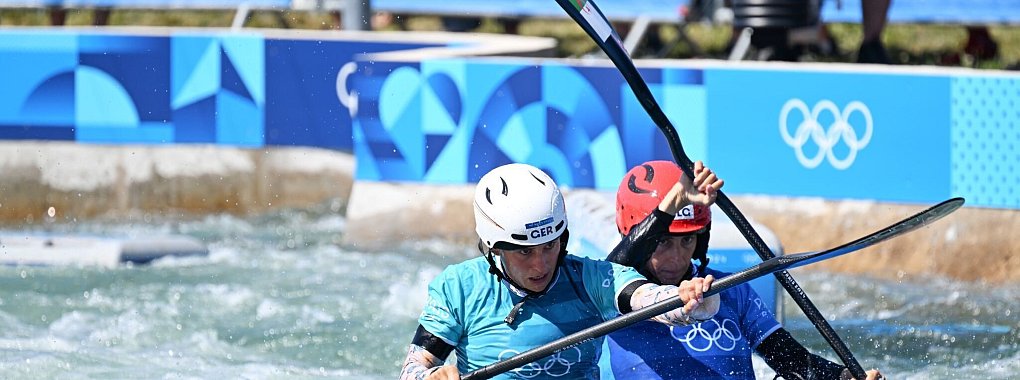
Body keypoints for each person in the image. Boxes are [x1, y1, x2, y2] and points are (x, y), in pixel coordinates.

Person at [400, 162, 724, 380]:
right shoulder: (458, 287)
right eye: (525, 252)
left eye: (550, 246)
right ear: (493, 247)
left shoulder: (591, 278)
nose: (540, 264)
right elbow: (414, 367)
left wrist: (691, 301)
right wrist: (429, 377)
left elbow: (647, 298)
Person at [603, 160, 883, 380]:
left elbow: (792, 361)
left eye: (687, 240)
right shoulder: (605, 295)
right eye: (663, 242)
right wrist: (670, 206)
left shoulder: (732, 291)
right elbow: (610, 272)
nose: (677, 258)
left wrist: (843, 378)